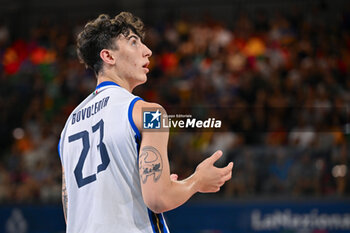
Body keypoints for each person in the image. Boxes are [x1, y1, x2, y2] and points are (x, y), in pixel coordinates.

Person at [58, 12, 233, 233]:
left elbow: (71, 209)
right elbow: (159, 199)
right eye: (133, 42)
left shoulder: (68, 126)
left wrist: (158, 185)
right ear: (108, 56)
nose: (147, 50)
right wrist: (197, 181)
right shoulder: (150, 113)